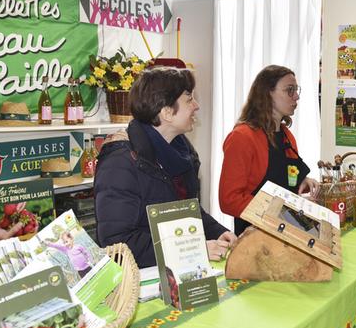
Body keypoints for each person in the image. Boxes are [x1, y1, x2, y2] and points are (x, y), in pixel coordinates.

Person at [95, 68, 237, 268]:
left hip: (179, 272)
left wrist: (218, 232)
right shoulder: (120, 164)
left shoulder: (181, 153)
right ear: (167, 112)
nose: (196, 106)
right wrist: (193, 249)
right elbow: (117, 244)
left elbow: (187, 209)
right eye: (189, 99)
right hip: (142, 284)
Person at [219, 65, 320, 236]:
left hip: (285, 231)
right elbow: (229, 200)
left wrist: (301, 181)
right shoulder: (242, 137)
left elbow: (285, 179)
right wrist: (280, 211)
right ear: (267, 93)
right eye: (289, 90)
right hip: (255, 236)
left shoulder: (286, 135)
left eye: (296, 90)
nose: (296, 96)